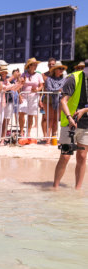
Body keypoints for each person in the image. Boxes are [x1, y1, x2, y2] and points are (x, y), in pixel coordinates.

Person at [53, 60, 88, 190]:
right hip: (70, 123)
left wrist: (85, 110)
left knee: (83, 157)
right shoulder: (73, 78)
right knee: (65, 156)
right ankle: (55, 187)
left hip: (86, 124)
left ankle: (77, 190)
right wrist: (69, 117)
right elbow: (63, 101)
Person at [18, 58, 44, 142]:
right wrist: (20, 96)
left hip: (34, 96)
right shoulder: (23, 74)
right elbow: (19, 85)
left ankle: (28, 133)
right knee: (21, 113)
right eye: (34, 64)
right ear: (29, 66)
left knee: (31, 115)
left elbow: (41, 86)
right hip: (24, 96)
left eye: (36, 64)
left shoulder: (38, 75)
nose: (36, 66)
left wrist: (37, 90)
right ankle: (21, 132)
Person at [43, 62, 67, 144]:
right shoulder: (49, 79)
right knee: (49, 119)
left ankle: (54, 137)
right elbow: (49, 89)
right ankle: (47, 139)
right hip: (48, 100)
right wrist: (58, 90)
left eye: (62, 69)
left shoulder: (64, 79)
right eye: (59, 68)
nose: (61, 70)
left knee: (56, 119)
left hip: (59, 100)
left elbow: (63, 89)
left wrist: (57, 90)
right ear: (55, 70)